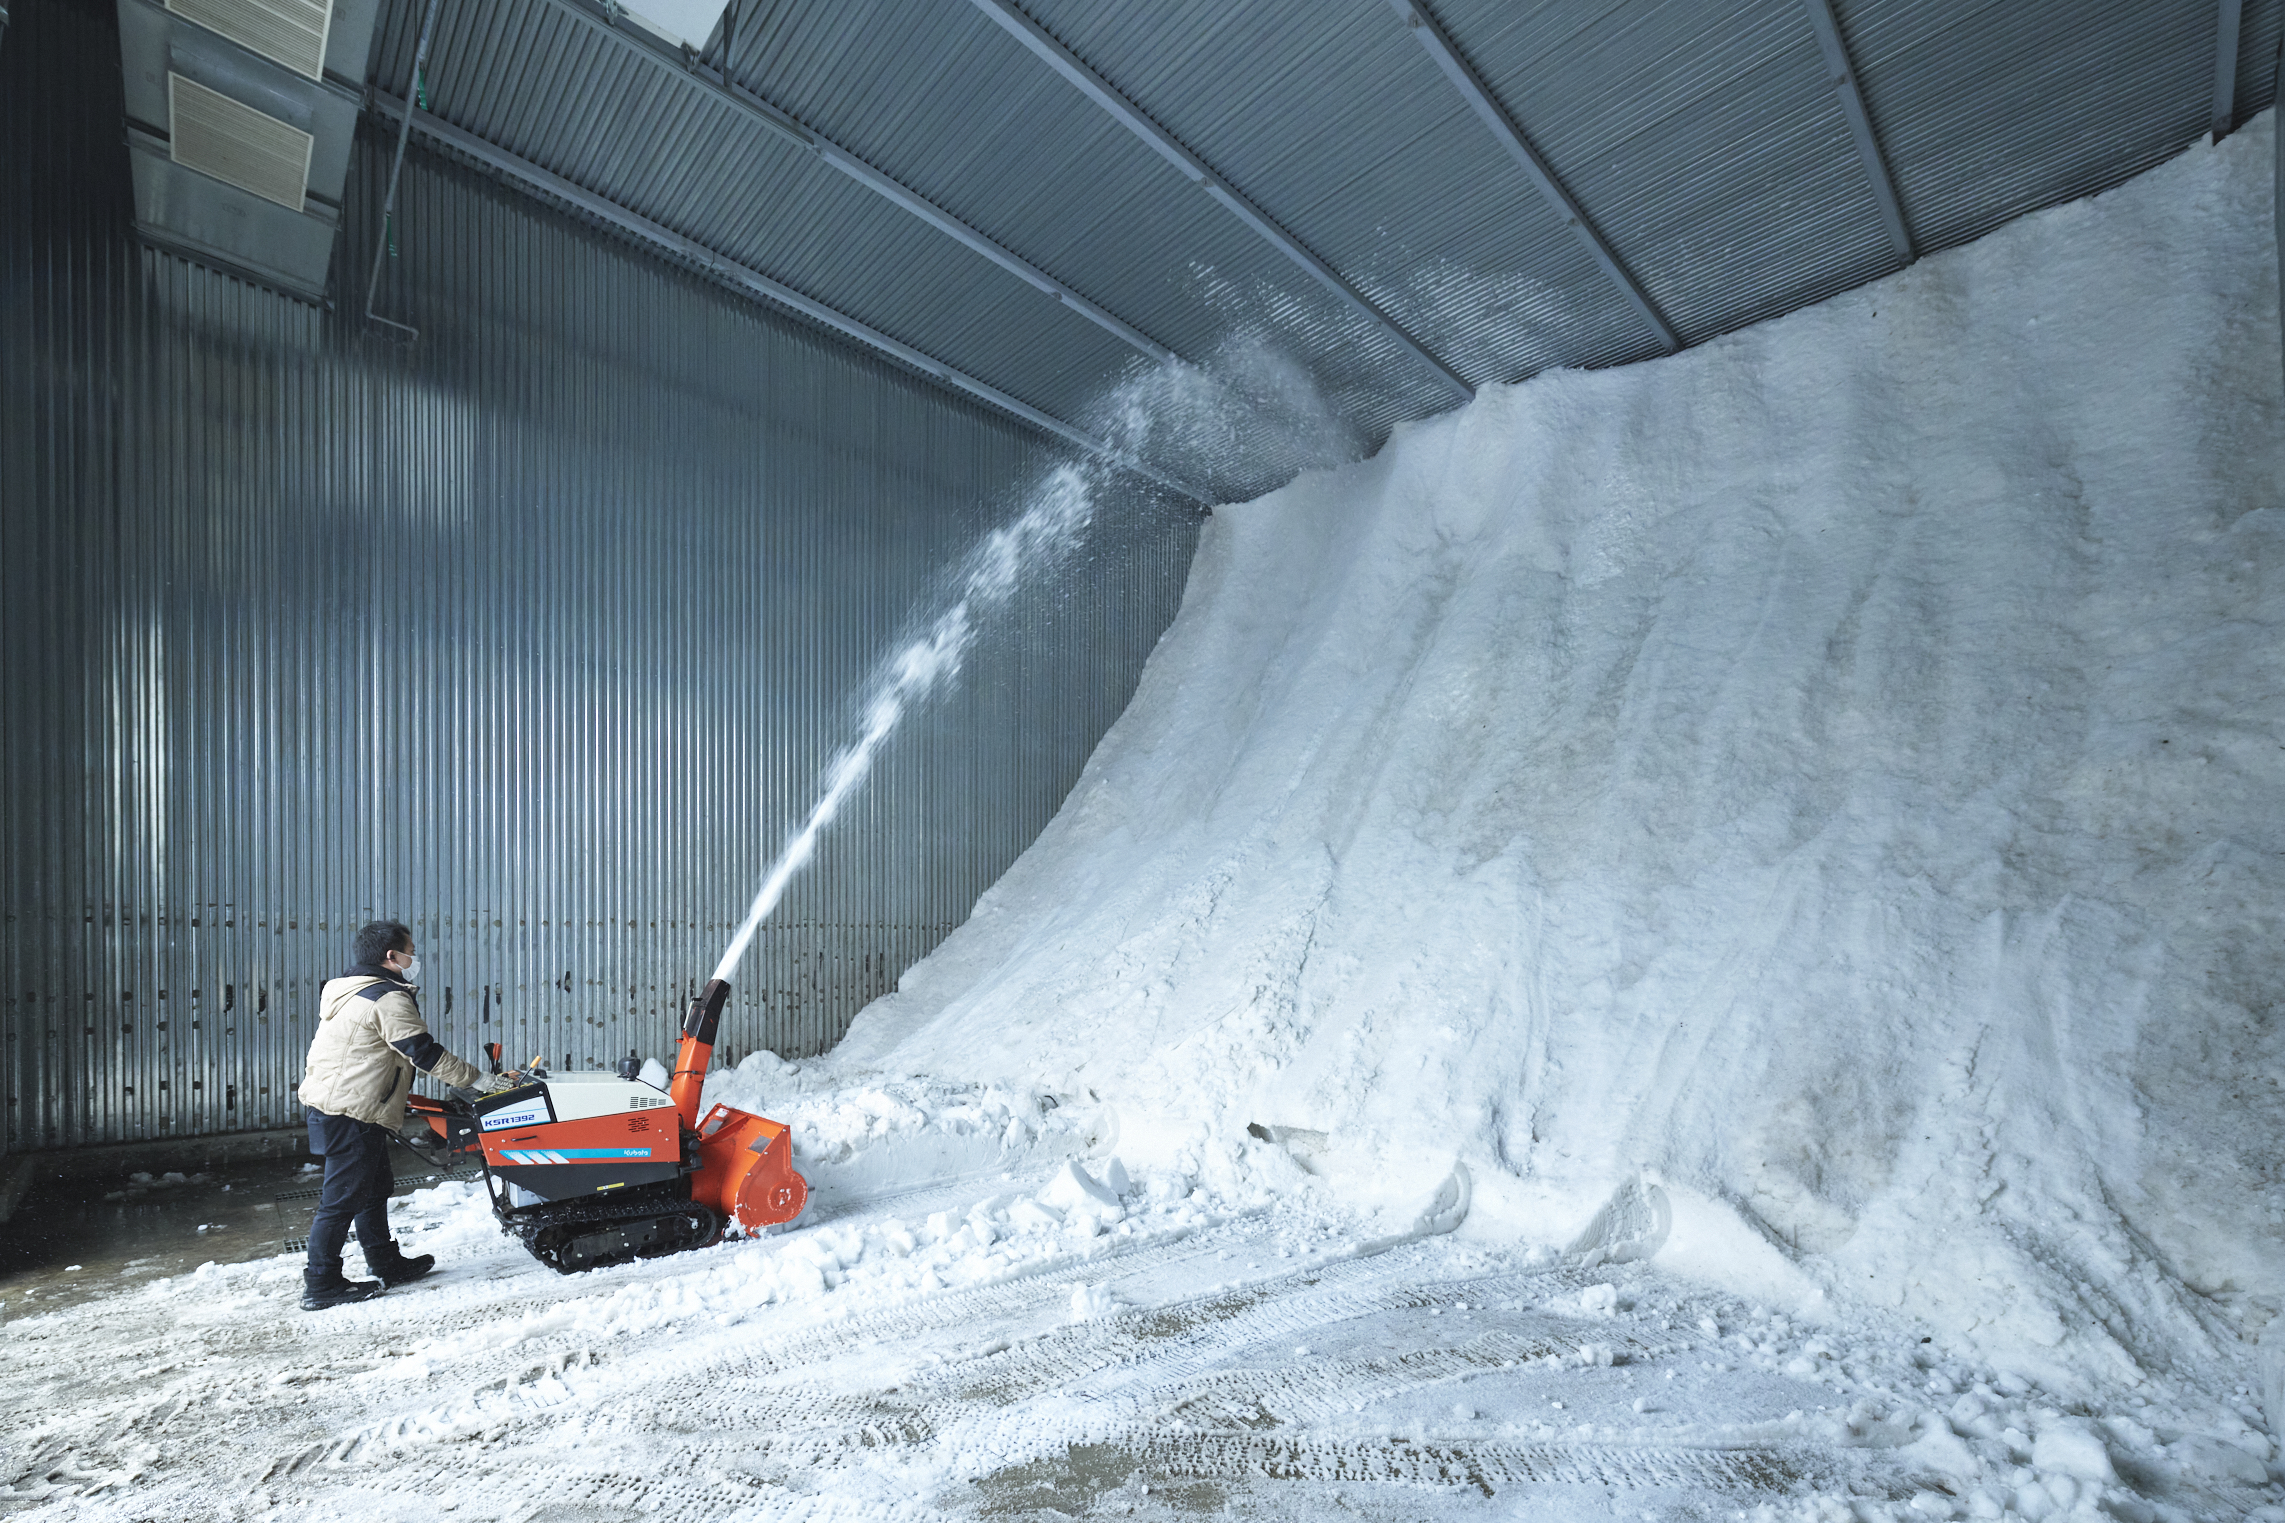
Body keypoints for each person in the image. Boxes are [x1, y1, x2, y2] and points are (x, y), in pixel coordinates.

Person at [296, 920, 493, 1310]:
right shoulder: (386, 998)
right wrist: (483, 1081)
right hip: (349, 1111)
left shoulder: (351, 990)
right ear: (391, 956)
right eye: (410, 951)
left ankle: (386, 1262)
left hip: (345, 1106)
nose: (413, 958)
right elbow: (424, 1053)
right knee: (341, 1201)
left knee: (373, 1189)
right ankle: (321, 1284)